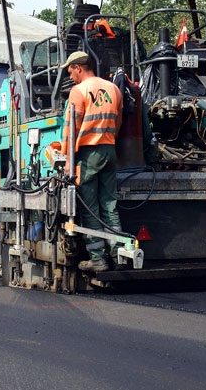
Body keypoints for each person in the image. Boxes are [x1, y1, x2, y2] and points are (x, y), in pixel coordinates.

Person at [61, 51, 124, 272]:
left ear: (79, 67)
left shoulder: (78, 92)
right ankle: (119, 254)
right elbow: (118, 122)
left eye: (70, 71)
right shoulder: (113, 89)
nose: (70, 76)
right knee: (110, 205)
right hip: (109, 151)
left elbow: (71, 128)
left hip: (88, 155)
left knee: (90, 208)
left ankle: (98, 259)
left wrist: (68, 159)